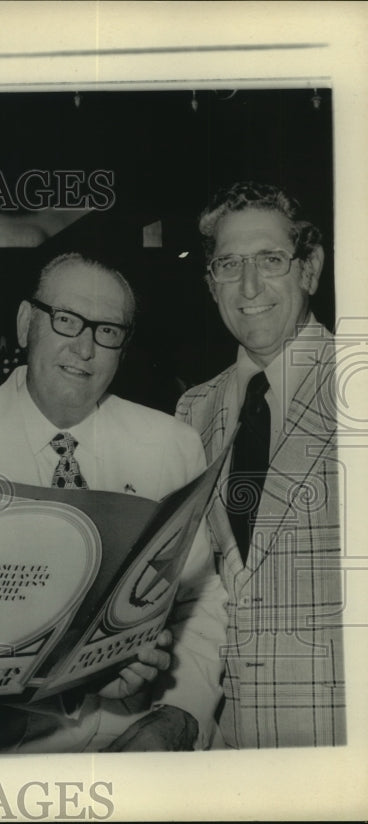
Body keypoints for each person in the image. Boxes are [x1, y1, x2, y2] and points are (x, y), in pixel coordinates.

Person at [0, 253, 228, 751]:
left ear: (123, 347)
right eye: (66, 320)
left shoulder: (170, 445)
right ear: (28, 323)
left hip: (139, 744)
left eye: (108, 331)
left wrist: (178, 716)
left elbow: (199, 599)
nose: (85, 349)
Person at [176, 181, 344, 748]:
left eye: (270, 259)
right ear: (210, 283)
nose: (249, 287)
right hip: (226, 749)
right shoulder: (192, 412)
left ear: (310, 268)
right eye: (229, 265)